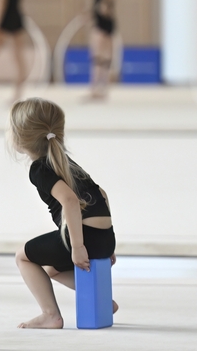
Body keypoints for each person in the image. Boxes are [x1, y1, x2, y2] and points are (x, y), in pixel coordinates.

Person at [8, 97, 117, 329]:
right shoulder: (65, 162)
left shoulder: (40, 168)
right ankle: (103, 301)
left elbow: (70, 201)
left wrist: (78, 247)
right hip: (104, 236)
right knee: (52, 269)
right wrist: (109, 244)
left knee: (22, 257)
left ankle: (50, 314)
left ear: (20, 138)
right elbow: (102, 194)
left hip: (84, 236)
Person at [86, 0, 117, 101]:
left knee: (98, 57)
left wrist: (104, 5)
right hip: (105, 21)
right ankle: (101, 88)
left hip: (102, 23)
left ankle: (96, 88)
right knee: (103, 57)